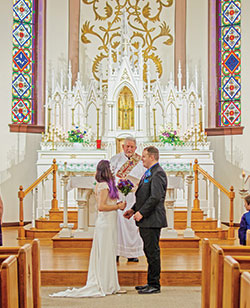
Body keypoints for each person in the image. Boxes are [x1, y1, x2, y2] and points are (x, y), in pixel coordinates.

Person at [51, 160, 126, 297]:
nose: (113, 171)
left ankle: (112, 284)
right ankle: (106, 284)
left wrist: (118, 203)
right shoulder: (103, 186)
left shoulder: (106, 185)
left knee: (109, 253)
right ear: (106, 171)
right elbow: (101, 207)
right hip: (105, 223)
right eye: (111, 169)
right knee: (105, 254)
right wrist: (118, 207)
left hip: (110, 222)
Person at [124, 146, 167, 294]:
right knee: (148, 251)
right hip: (147, 219)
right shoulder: (149, 172)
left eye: (144, 156)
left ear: (152, 157)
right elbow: (144, 195)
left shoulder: (158, 173)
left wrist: (141, 212)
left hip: (152, 219)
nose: (141, 158)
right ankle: (150, 282)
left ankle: (154, 284)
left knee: (152, 252)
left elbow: (155, 197)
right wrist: (133, 209)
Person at [110, 137, 145, 262]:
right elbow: (110, 176)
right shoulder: (115, 159)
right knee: (118, 225)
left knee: (132, 225)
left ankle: (132, 253)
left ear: (136, 148)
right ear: (123, 147)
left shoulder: (141, 161)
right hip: (119, 198)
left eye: (132, 147)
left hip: (135, 198)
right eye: (127, 146)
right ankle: (117, 252)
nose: (129, 149)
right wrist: (119, 183)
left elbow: (144, 177)